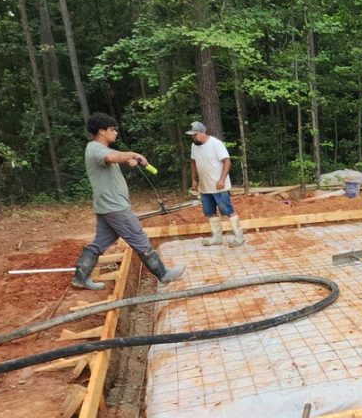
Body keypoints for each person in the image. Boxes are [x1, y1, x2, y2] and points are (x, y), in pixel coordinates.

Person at [72, 113, 184, 290]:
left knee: (100, 242)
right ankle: (163, 275)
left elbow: (111, 159)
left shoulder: (97, 149)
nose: (115, 132)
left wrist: (126, 160)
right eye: (112, 129)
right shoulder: (96, 148)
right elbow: (110, 158)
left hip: (106, 206)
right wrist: (133, 154)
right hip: (115, 207)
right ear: (101, 131)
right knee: (139, 238)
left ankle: (80, 277)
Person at [186, 121, 246, 247]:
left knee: (227, 210)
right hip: (204, 187)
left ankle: (239, 237)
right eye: (192, 135)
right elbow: (193, 162)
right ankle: (217, 237)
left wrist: (222, 179)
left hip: (219, 186)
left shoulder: (215, 144)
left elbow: (227, 161)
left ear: (202, 132)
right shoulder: (194, 146)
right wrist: (193, 179)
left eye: (195, 135)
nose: (193, 137)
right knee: (210, 212)